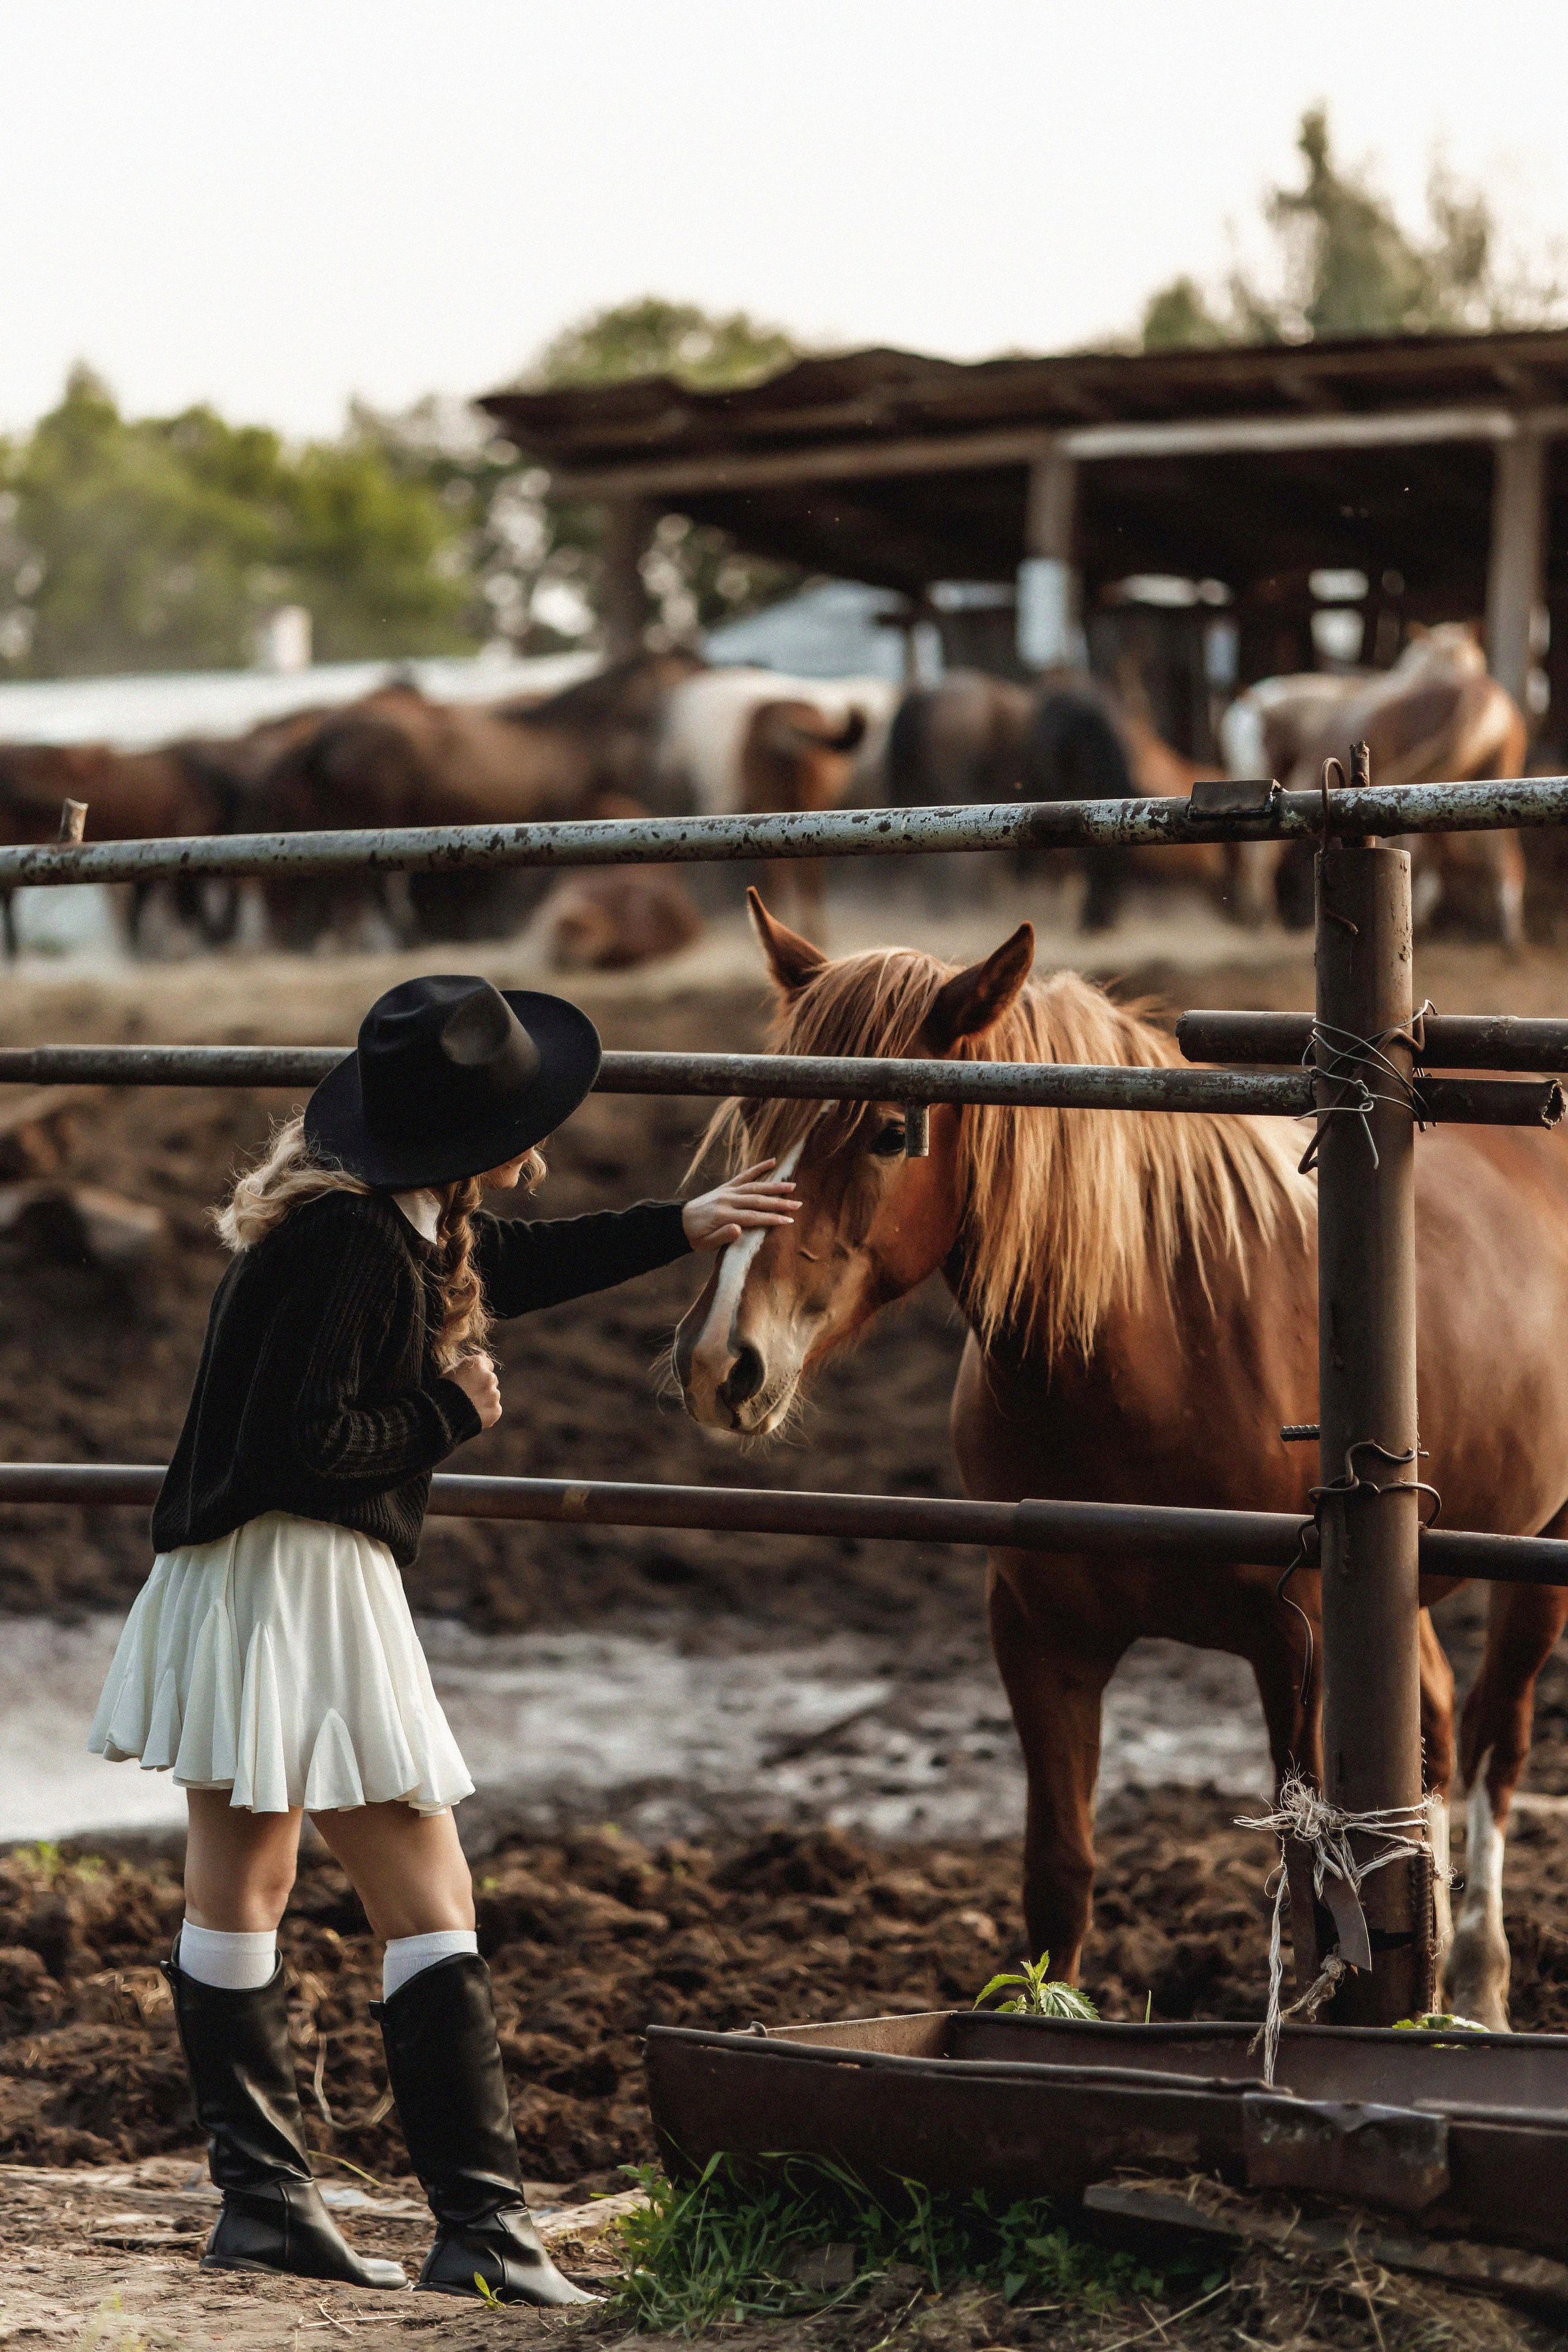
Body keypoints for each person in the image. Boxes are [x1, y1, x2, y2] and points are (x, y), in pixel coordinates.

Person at [88, 974, 794, 2302]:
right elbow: (311, 1443)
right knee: (431, 1901)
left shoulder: (375, 1223)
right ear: (466, 1141)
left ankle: (265, 2203)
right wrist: (452, 1415)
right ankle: (482, 2232)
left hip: (237, 1581)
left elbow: (508, 1270)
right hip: (306, 1579)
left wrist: (678, 1229)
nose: (542, 1142)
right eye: (523, 1120)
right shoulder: (357, 1248)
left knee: (239, 1891)